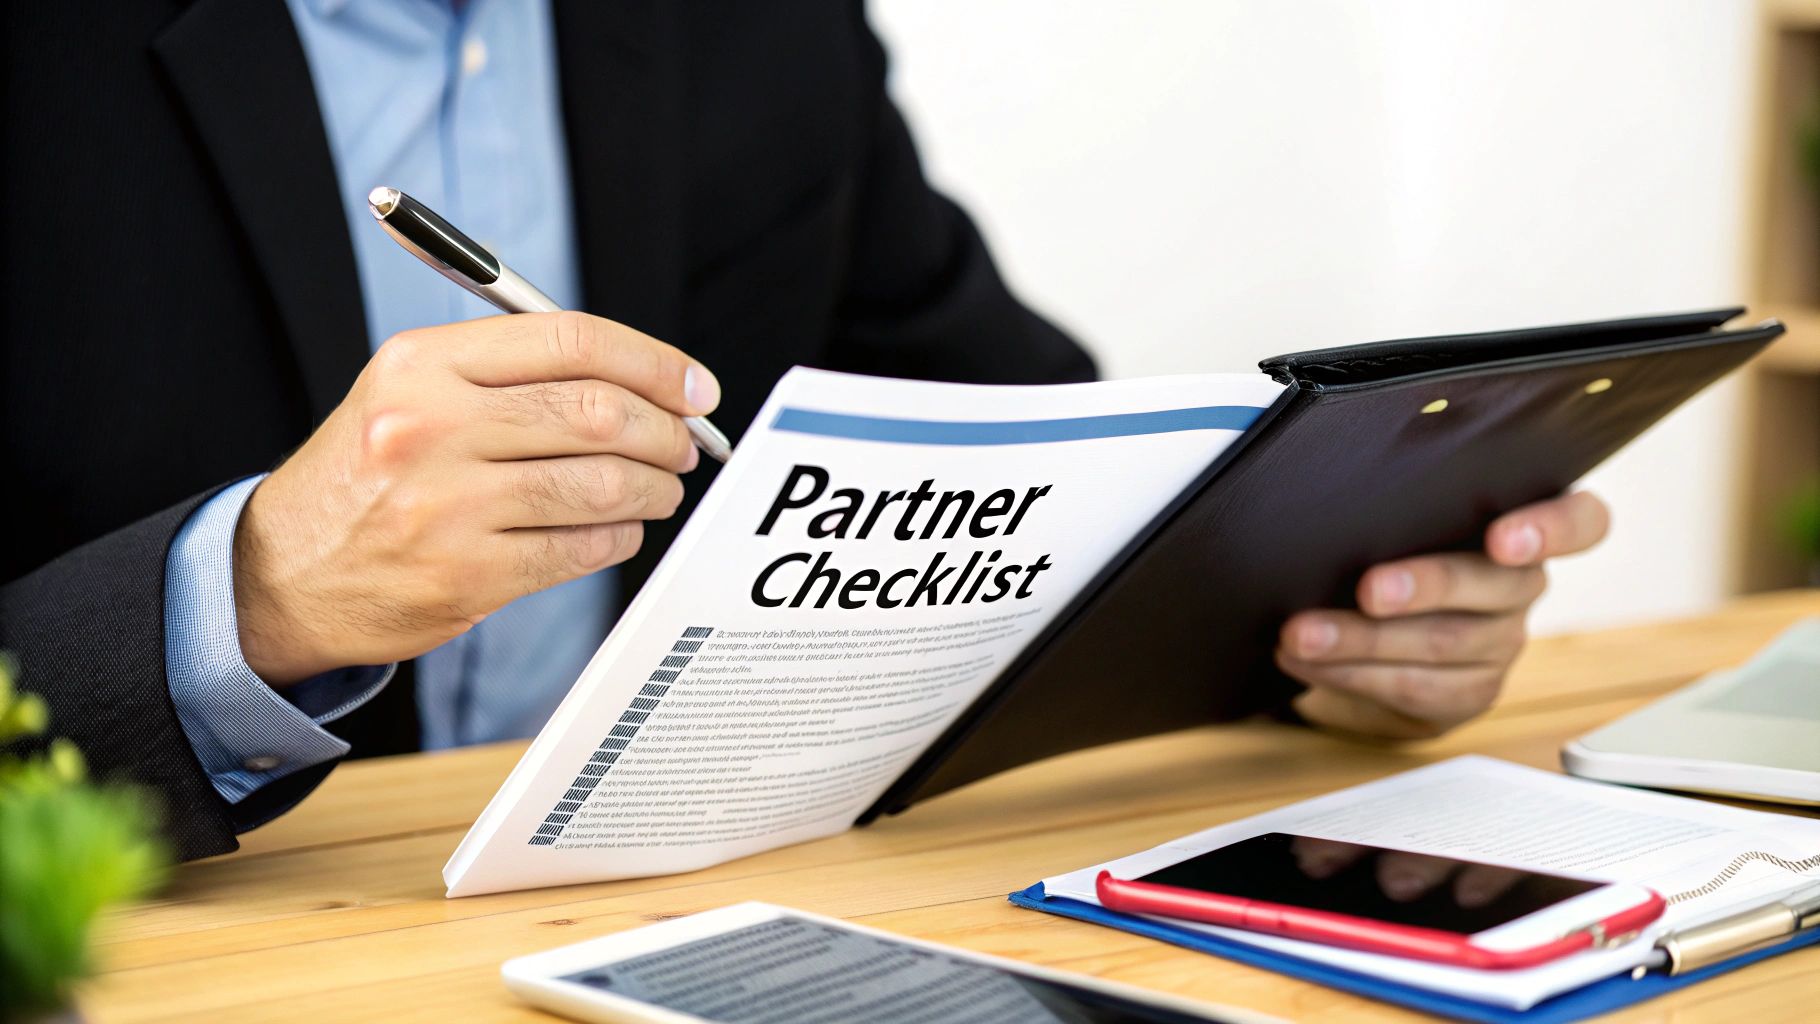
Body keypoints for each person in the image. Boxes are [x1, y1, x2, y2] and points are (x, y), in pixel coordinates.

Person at [0, 1, 1607, 862]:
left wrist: (1318, 617)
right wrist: (253, 597)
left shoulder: (761, 28)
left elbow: (1020, 436)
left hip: (699, 896)